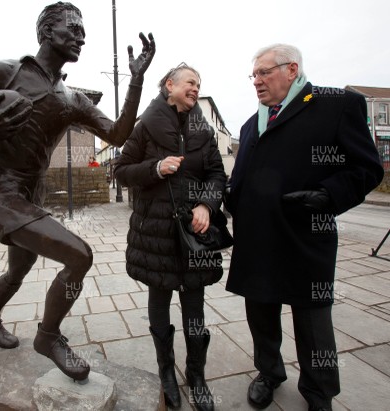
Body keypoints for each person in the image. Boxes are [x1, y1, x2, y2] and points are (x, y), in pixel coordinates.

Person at [0, 2, 155, 383]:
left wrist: (135, 82)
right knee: (79, 256)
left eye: (83, 30)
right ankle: (48, 337)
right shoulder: (6, 71)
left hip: (31, 195)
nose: (82, 36)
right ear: (48, 32)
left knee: (19, 268)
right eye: (74, 28)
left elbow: (117, 134)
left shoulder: (72, 98)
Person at [225, 44, 384, 411]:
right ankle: (269, 373)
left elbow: (366, 169)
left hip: (304, 237)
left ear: (292, 69)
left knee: (313, 323)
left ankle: (318, 391)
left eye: (264, 72)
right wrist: (227, 202)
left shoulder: (335, 106)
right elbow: (242, 179)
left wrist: (327, 196)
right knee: (260, 315)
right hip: (257, 241)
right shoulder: (251, 125)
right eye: (254, 75)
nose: (257, 81)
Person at [114, 63, 226, 410]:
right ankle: (166, 372)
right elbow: (120, 172)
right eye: (191, 82)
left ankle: (196, 374)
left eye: (199, 84)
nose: (196, 88)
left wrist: (207, 205)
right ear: (170, 85)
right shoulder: (145, 125)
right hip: (158, 234)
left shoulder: (202, 130)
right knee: (159, 300)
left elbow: (216, 175)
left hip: (194, 234)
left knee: (195, 304)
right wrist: (155, 168)